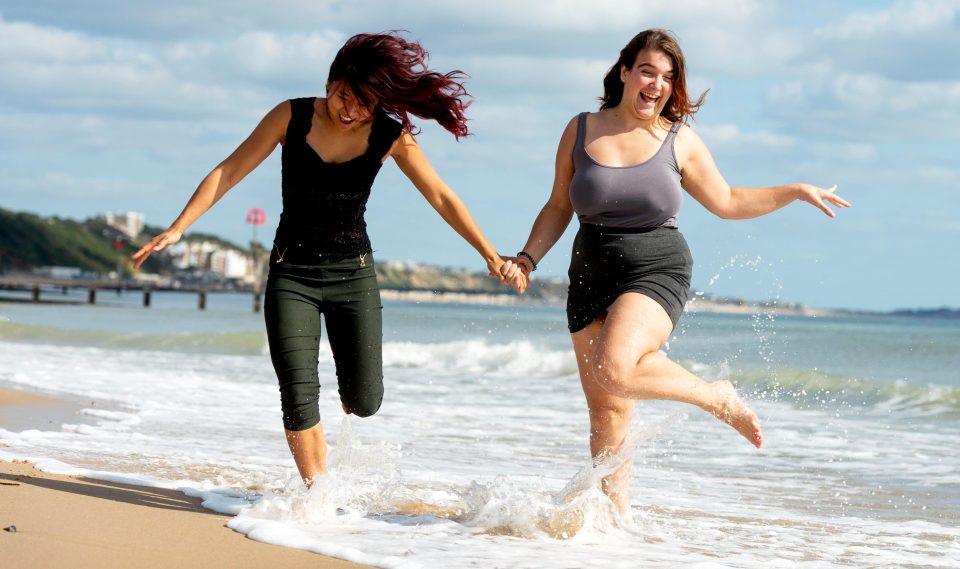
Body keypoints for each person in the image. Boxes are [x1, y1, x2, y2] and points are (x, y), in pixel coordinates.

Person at [132, 32, 525, 485]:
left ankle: (351, 401)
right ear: (330, 82)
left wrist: (490, 254)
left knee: (366, 401)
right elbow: (230, 169)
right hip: (291, 274)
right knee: (298, 395)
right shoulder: (290, 116)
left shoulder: (388, 136)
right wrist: (180, 226)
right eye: (342, 95)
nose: (349, 109)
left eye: (363, 102)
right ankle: (319, 498)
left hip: (352, 276)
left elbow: (441, 196)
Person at [499, 29, 849, 514]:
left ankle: (716, 398)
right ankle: (613, 528)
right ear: (624, 72)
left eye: (668, 77)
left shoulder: (678, 141)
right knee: (608, 410)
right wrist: (528, 258)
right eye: (647, 70)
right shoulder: (580, 129)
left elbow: (727, 201)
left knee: (615, 367)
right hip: (589, 271)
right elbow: (559, 204)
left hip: (656, 266)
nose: (656, 84)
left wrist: (793, 190)